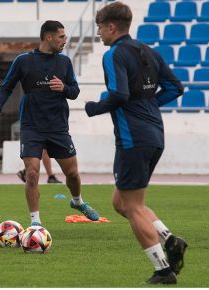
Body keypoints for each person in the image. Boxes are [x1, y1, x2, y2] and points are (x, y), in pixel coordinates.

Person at [85, 2, 187, 284]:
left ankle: (163, 269)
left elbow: (118, 94)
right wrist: (149, 103)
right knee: (121, 202)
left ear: (111, 27)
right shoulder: (148, 50)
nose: (99, 34)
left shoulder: (114, 54)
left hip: (133, 137)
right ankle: (170, 239)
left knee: (131, 206)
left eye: (100, 28)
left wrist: (94, 107)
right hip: (155, 134)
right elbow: (175, 88)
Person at [0, 20, 100, 227]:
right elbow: (6, 87)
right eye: (61, 36)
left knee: (73, 174)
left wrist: (63, 88)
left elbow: (74, 92)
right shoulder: (23, 61)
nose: (65, 40)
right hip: (31, 126)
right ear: (48, 37)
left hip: (58, 126)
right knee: (32, 172)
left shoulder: (65, 62)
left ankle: (77, 201)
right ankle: (36, 223)